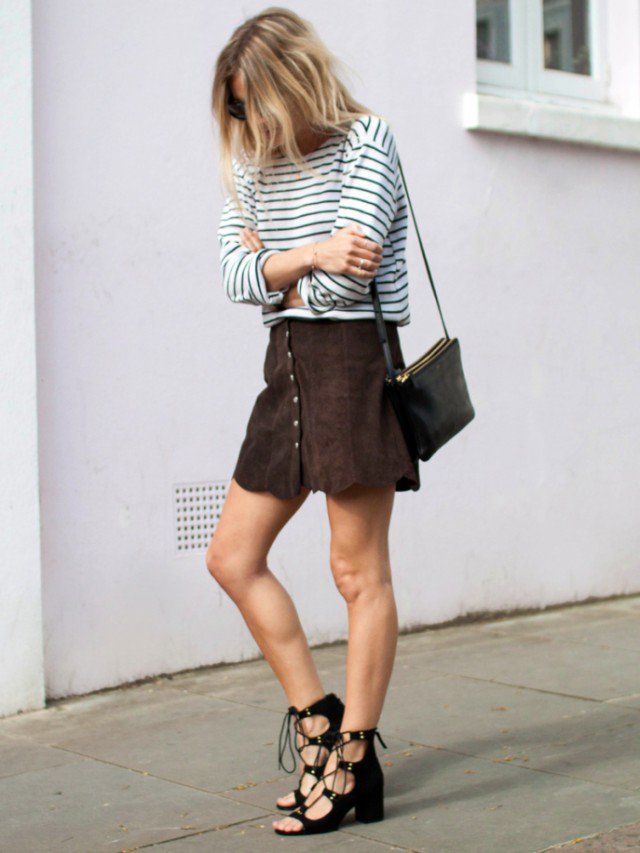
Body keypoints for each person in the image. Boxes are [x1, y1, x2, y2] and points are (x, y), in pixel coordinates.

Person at [206, 6, 420, 836]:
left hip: (351, 366)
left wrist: (281, 273)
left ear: (293, 82)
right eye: (237, 109)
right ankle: (318, 721)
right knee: (232, 556)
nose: (249, 124)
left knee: (356, 571)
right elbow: (233, 273)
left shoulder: (368, 142)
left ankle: (358, 761)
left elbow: (348, 281)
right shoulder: (254, 163)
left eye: (256, 102)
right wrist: (307, 256)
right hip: (286, 372)